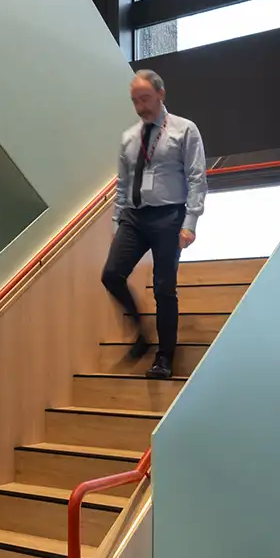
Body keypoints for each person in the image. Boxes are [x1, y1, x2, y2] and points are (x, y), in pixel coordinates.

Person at [101, 69, 207, 380]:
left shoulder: (184, 130)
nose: (140, 107)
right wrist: (116, 223)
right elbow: (123, 184)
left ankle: (164, 356)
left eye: (145, 98)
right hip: (134, 218)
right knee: (111, 275)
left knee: (164, 288)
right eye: (135, 101)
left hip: (169, 217)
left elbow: (197, 178)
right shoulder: (129, 137)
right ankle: (141, 334)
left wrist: (190, 222)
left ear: (161, 94)